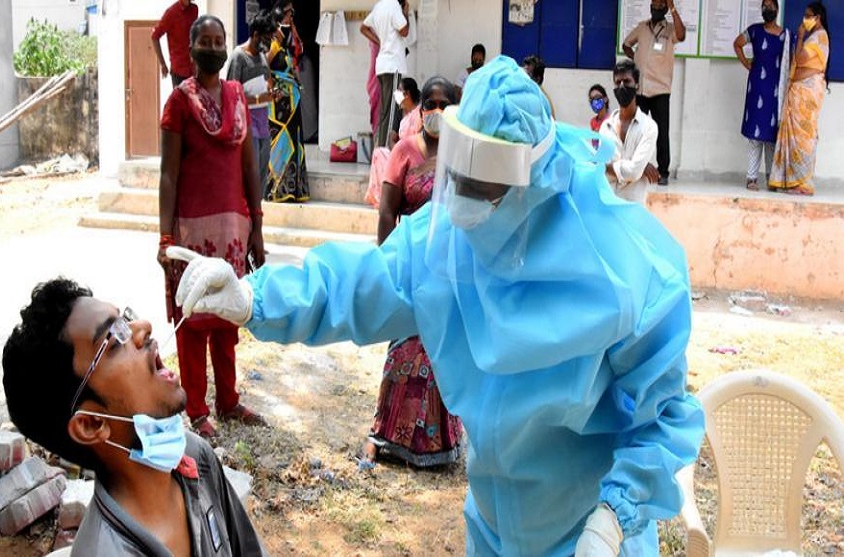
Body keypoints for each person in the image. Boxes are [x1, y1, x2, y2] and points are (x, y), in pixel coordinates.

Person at [171, 56, 705, 555]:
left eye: (484, 184)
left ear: (533, 182)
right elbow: (360, 283)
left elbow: (663, 416)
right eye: (461, 175)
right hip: (494, 522)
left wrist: (615, 516)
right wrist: (256, 297)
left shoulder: (621, 267)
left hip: (589, 532)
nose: (465, 199)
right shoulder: (448, 241)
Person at [2, 279, 267, 556]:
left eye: (125, 319)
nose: (143, 327)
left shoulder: (196, 458)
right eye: (115, 340)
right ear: (92, 424)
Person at [157, 14, 266, 439]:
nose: (214, 47)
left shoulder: (238, 96)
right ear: (191, 46)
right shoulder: (179, 102)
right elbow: (168, 174)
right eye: (205, 39)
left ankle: (229, 400)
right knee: (193, 321)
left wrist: (256, 226)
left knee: (226, 317)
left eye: (219, 40)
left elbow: (249, 166)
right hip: (190, 234)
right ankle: (198, 409)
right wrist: (165, 237)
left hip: (233, 232)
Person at [361, 76, 463, 469]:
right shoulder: (404, 151)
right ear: (420, 108)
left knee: (440, 353)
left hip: (449, 270)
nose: (435, 110)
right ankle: (387, 433)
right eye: (429, 103)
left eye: (444, 103)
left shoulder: (462, 153)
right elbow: (387, 211)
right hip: (410, 266)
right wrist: (385, 264)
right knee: (403, 348)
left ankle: (438, 445)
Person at [768, 1, 830, 196]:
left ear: (817, 18)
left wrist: (801, 36)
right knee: (794, 137)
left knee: (804, 137)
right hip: (799, 91)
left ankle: (803, 183)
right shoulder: (815, 36)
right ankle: (791, 181)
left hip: (808, 93)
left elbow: (802, 59)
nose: (805, 19)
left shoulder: (819, 37)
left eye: (808, 15)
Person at [622, 0, 685, 185]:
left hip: (660, 90)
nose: (656, 7)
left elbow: (681, 35)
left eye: (660, 5)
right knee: (637, 130)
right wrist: (636, 58)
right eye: (654, 4)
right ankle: (633, 168)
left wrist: (673, 8)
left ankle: (663, 172)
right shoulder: (642, 27)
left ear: (666, 8)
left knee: (661, 133)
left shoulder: (670, 29)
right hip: (640, 89)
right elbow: (626, 44)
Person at [734, 0, 791, 191]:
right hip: (757, 86)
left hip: (776, 89)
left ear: (777, 9)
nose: (768, 9)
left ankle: (771, 179)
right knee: (755, 136)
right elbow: (737, 44)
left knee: (771, 136)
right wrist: (747, 64)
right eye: (764, 6)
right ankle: (751, 178)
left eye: (771, 6)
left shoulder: (785, 36)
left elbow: (789, 63)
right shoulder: (754, 31)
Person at [227, 10, 277, 199]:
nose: (269, 41)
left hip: (263, 126)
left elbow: (268, 81)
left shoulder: (263, 57)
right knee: (249, 177)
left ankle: (256, 215)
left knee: (261, 177)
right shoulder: (238, 57)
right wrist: (257, 99)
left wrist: (271, 93)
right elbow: (230, 97)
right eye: (267, 37)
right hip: (246, 128)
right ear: (255, 34)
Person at [266, 1, 310, 203]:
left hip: (293, 100)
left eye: (292, 13)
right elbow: (264, 66)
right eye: (287, 13)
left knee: (295, 140)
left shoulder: (285, 43)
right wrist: (271, 86)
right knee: (283, 141)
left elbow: (298, 51)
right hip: (280, 103)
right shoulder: (273, 45)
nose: (290, 16)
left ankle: (293, 189)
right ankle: (277, 188)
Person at [599, 59, 660, 203]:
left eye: (627, 81)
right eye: (617, 82)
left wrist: (608, 167)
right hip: (607, 206)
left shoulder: (649, 127)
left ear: (637, 86)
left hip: (633, 210)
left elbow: (633, 172)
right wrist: (637, 166)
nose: (621, 86)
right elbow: (601, 168)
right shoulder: (605, 127)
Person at [365, 77, 423, 209]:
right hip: (399, 153)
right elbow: (392, 136)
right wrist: (396, 151)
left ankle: (387, 200)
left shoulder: (418, 115)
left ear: (407, 94)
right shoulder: (401, 113)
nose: (396, 93)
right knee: (379, 153)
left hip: (411, 160)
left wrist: (398, 150)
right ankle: (380, 197)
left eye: (399, 90)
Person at [360, 0, 410, 148]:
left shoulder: (379, 6)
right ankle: (385, 151)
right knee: (392, 111)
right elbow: (404, 31)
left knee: (385, 111)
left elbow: (363, 28)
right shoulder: (394, 6)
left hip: (382, 65)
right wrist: (405, 11)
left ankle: (381, 149)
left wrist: (380, 42)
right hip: (392, 65)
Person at [152, 0, 199, 87]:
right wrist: (163, 64)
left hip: (194, 69)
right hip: (179, 71)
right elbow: (155, 36)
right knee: (180, 100)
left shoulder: (194, 10)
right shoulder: (171, 13)